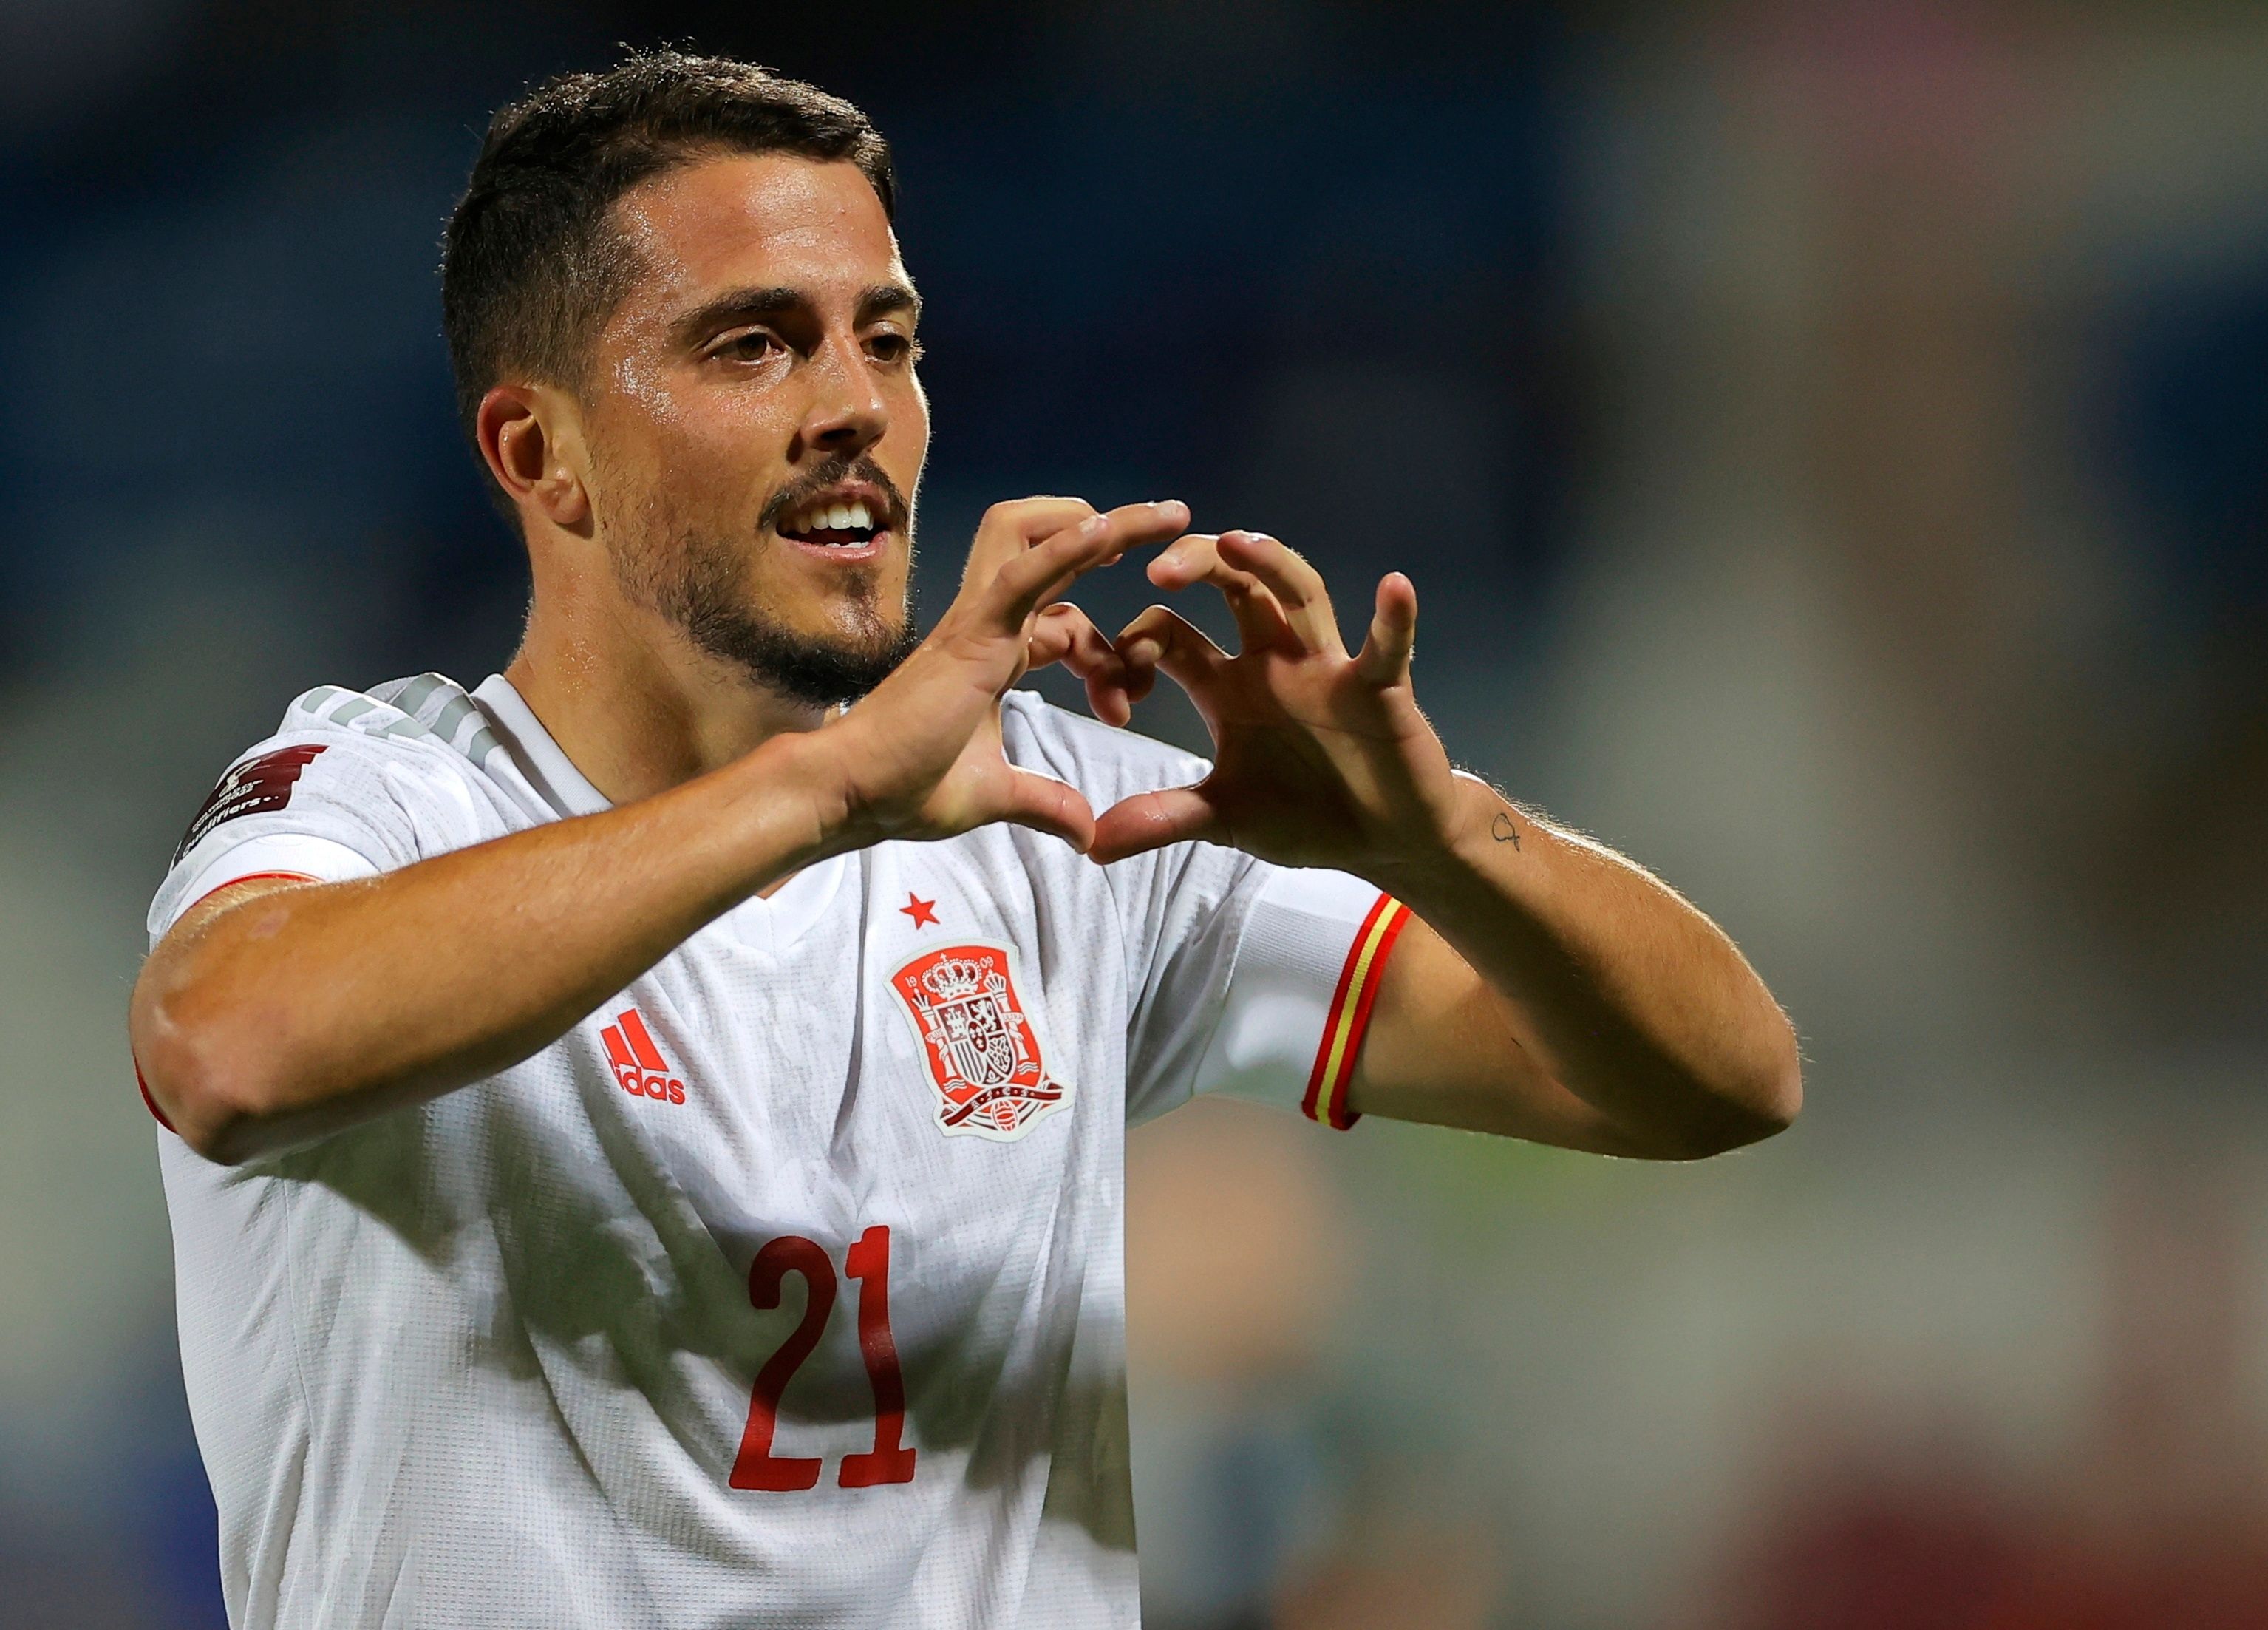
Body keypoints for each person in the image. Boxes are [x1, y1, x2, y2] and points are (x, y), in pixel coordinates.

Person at [128, 49, 1801, 1629]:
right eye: (753, 344)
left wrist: (1440, 837)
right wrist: (837, 784)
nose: (854, 403)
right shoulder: (387, 795)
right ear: (539, 451)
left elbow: (1716, 1078)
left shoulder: (1062, 817)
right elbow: (228, 1044)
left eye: (889, 339)